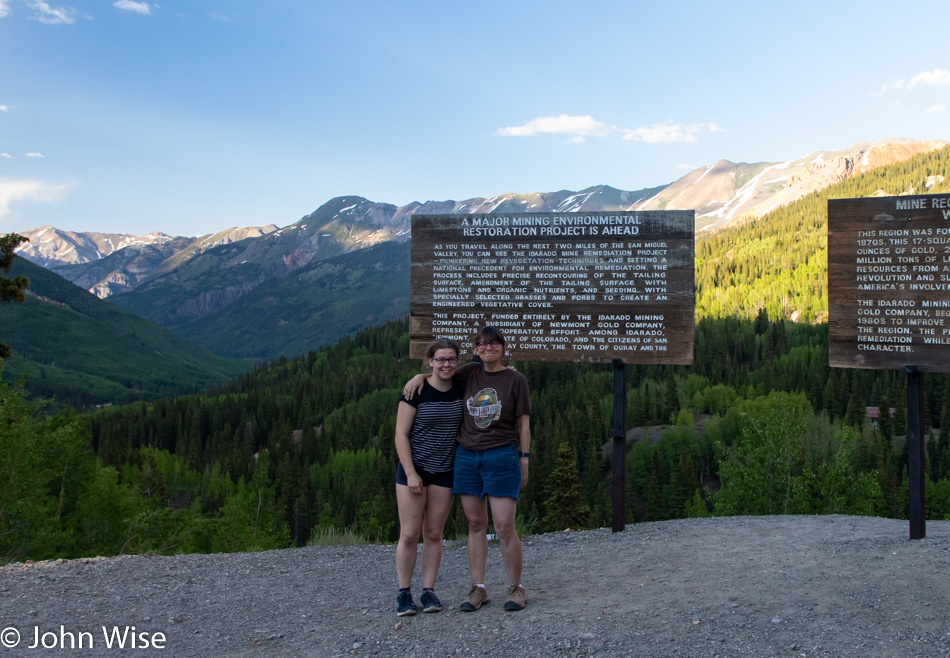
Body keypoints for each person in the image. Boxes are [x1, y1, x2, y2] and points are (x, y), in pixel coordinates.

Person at [404, 326, 531, 612]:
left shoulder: (516, 379)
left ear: (503, 346)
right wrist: (420, 376)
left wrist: (524, 459)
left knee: (504, 526)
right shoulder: (469, 373)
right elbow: (441, 373)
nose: (488, 348)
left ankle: (516, 587)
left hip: (502, 455)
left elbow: (523, 423)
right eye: (482, 344)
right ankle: (479, 588)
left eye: (494, 343)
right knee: (476, 525)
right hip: (467, 456)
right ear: (475, 349)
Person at [394, 338, 465, 616]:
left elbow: (486, 367)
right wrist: (411, 473)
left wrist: (421, 373)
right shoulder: (416, 391)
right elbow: (400, 435)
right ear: (430, 362)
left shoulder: (461, 387)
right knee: (410, 534)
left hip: (445, 471)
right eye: (440, 360)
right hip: (415, 470)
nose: (446, 364)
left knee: (434, 534)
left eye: (451, 360)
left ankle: (428, 592)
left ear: (456, 362)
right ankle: (403, 594)